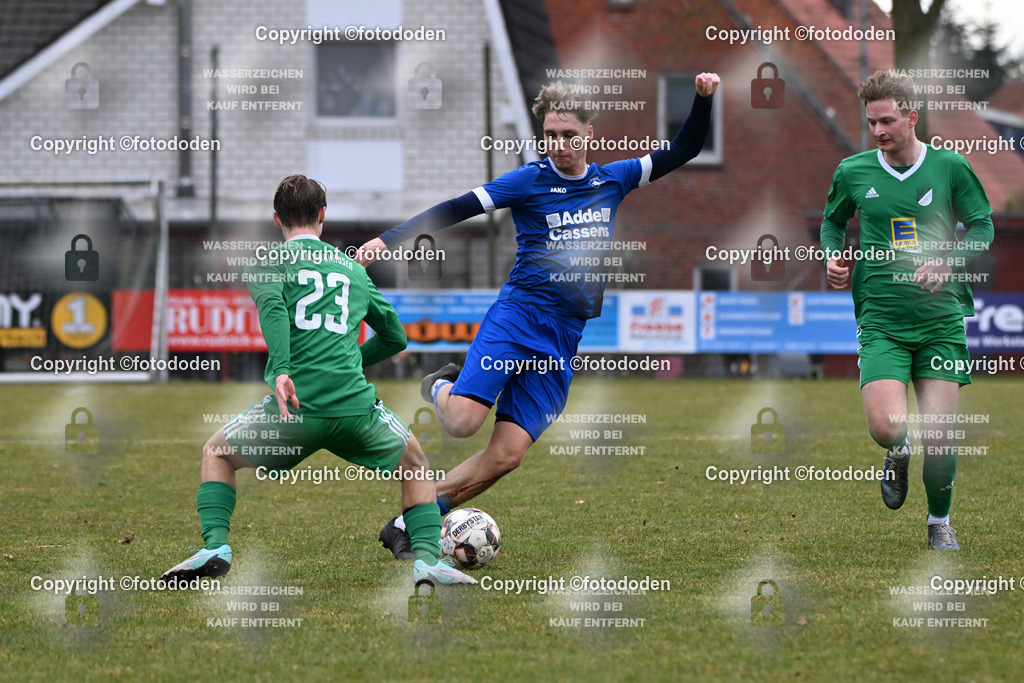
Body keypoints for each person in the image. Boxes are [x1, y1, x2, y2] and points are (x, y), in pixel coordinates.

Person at [358, 75, 720, 558]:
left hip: (564, 336)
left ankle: (410, 520)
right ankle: (441, 386)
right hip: (519, 316)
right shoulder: (529, 181)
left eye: (569, 135)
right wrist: (389, 239)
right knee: (463, 423)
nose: (559, 145)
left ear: (589, 134)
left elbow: (686, 148)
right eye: (550, 136)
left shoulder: (615, 178)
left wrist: (701, 99)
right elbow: (455, 208)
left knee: (507, 455)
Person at [161, 175, 476, 586]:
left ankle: (216, 546)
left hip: (293, 409)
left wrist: (282, 370)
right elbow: (396, 337)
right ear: (323, 215)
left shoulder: (266, 263)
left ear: (277, 219)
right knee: (415, 463)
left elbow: (273, 313)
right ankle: (428, 563)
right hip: (354, 410)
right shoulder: (353, 270)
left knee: (216, 453)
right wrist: (350, 364)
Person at [820, 70, 994, 550]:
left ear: (911, 117)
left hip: (940, 322)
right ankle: (898, 450)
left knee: (939, 436)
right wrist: (833, 257)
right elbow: (832, 223)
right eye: (871, 122)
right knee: (885, 425)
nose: (878, 131)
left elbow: (982, 226)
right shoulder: (852, 171)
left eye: (887, 121)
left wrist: (950, 257)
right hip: (881, 321)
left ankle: (939, 523)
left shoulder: (950, 166)